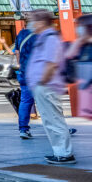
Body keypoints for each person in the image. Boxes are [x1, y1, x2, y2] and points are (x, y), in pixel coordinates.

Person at [24, 10, 74, 163]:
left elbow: (51, 64)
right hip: (43, 86)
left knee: (53, 121)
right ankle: (61, 151)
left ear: (40, 22)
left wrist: (42, 81)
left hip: (47, 86)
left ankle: (64, 153)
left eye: (32, 21)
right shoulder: (44, 37)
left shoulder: (50, 38)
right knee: (50, 120)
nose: (30, 24)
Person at [14, 23, 37, 139]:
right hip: (38, 72)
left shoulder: (21, 34)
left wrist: (20, 65)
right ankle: (60, 129)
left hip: (24, 71)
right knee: (49, 101)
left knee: (25, 101)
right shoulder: (41, 34)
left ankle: (23, 129)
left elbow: (17, 52)